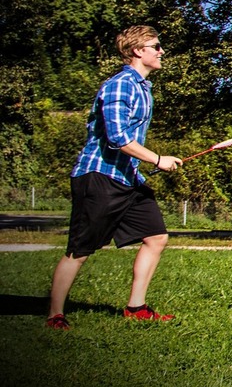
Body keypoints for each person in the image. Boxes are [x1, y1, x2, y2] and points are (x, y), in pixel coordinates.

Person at [46, 25, 183, 329]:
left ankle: (136, 308)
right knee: (80, 250)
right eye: (156, 46)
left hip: (127, 178)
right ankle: (55, 314)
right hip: (99, 176)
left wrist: (151, 161)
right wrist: (157, 159)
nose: (161, 51)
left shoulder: (143, 88)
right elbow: (118, 138)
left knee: (156, 237)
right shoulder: (121, 85)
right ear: (138, 51)